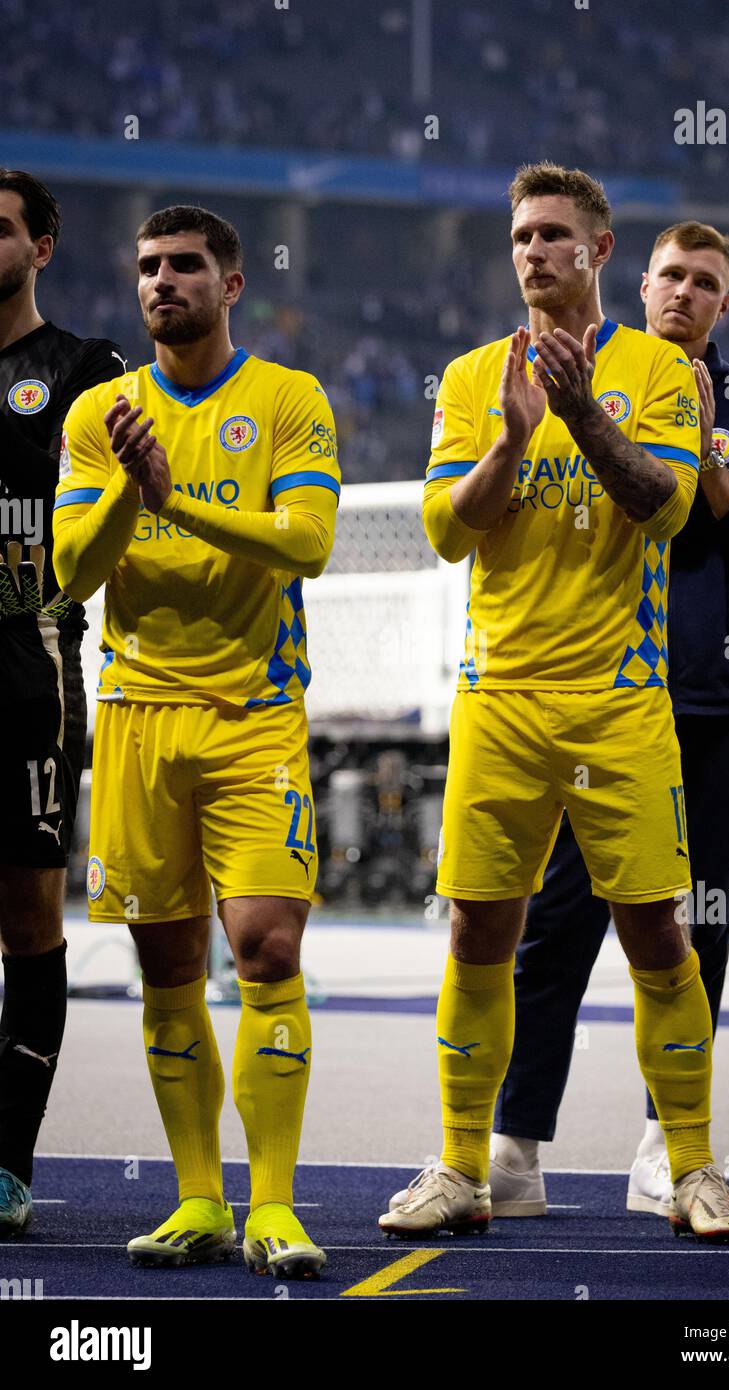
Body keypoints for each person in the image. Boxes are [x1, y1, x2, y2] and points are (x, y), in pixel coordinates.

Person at [381, 164, 729, 1244]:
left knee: (655, 937)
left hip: (618, 699)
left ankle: (688, 1167)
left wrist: (581, 412)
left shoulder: (660, 370)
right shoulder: (465, 376)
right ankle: (461, 1166)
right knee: (478, 937)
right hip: (498, 695)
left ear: (596, 250)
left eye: (552, 236)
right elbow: (449, 532)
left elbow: (665, 509)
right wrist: (507, 436)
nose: (532, 253)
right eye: (520, 238)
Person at [486, 221, 729, 1220]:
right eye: (669, 274)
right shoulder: (576, 379)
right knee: (556, 924)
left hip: (712, 705)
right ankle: (513, 1147)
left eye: (703, 282)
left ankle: (667, 1145)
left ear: (723, 303)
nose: (681, 293)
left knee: (691, 929)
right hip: (594, 696)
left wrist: (710, 465)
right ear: (637, 281)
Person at [53, 205, 340, 1278]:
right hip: (134, 717)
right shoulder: (99, 413)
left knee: (265, 946)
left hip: (252, 718)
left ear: (232, 283)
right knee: (164, 964)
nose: (161, 282)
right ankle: (197, 1201)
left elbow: (304, 544)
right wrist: (134, 492)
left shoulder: (285, 399)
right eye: (146, 268)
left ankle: (274, 1204)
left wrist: (179, 500)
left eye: (184, 266)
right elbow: (72, 573)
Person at [0, 169, 125, 1234]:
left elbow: (68, 545)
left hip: (26, 672)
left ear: (42, 246)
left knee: (29, 920)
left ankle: (8, 1164)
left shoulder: (85, 371)